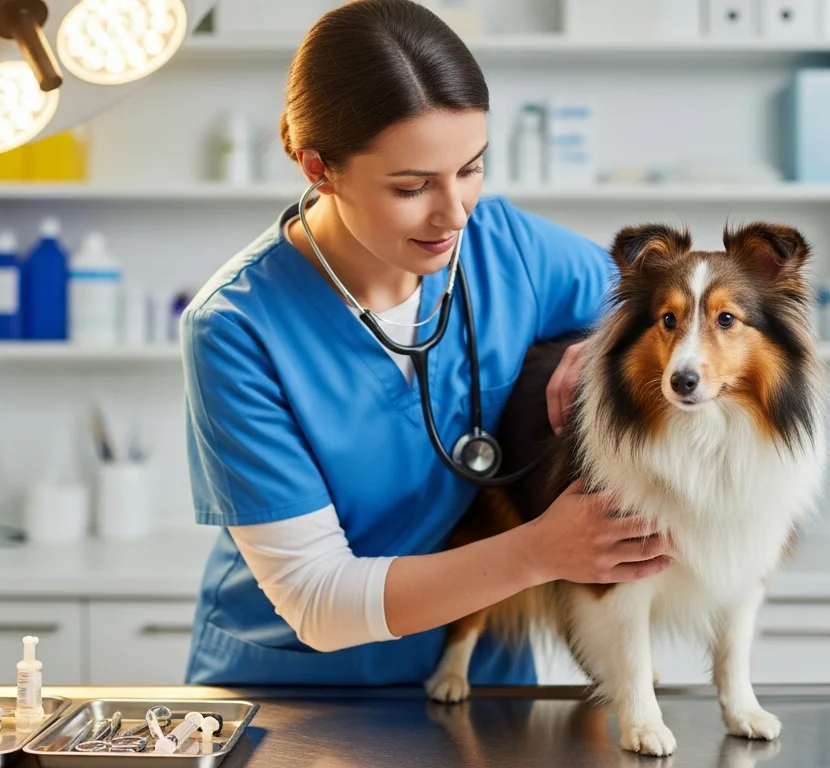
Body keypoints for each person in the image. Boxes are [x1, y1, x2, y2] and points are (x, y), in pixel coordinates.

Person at [180, 0, 672, 687]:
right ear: (317, 168)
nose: (455, 212)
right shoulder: (238, 329)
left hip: (480, 681)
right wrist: (542, 552)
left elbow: (666, 309)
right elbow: (318, 601)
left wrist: (603, 348)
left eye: (470, 167)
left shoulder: (507, 247)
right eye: (412, 186)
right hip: (303, 690)